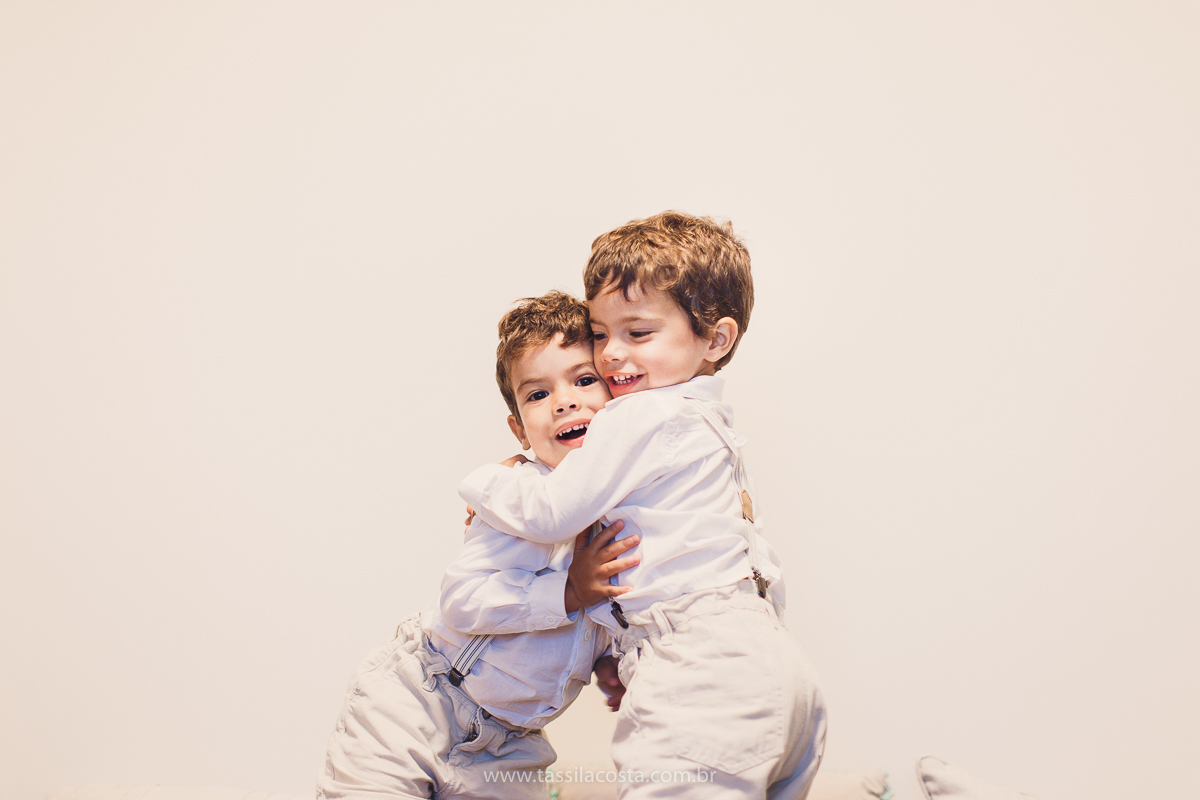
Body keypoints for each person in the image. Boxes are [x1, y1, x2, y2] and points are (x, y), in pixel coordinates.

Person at [460, 212, 828, 798]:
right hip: (775, 668)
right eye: (602, 334)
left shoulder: (639, 415)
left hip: (702, 669)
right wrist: (624, 656)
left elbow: (554, 512)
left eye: (638, 333)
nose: (611, 356)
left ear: (715, 339)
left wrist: (490, 483)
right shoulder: (710, 427)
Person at [318, 292, 637, 800]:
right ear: (520, 431)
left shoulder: (632, 515)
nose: (563, 401)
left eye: (583, 380)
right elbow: (463, 601)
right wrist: (568, 594)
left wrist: (610, 658)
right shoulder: (517, 498)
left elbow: (611, 616)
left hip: (511, 744)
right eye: (537, 395)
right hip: (422, 700)